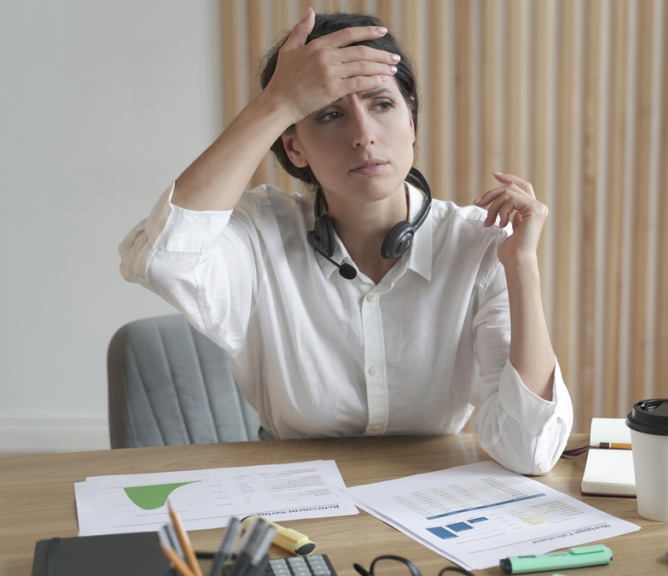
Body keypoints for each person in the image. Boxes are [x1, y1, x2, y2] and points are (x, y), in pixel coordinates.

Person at [118, 9, 572, 475]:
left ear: (411, 122)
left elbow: (529, 450)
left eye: (382, 105)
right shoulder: (259, 231)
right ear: (294, 147)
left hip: (428, 495)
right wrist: (276, 104)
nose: (363, 136)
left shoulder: (479, 243)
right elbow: (165, 260)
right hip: (293, 495)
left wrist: (522, 267)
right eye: (331, 114)